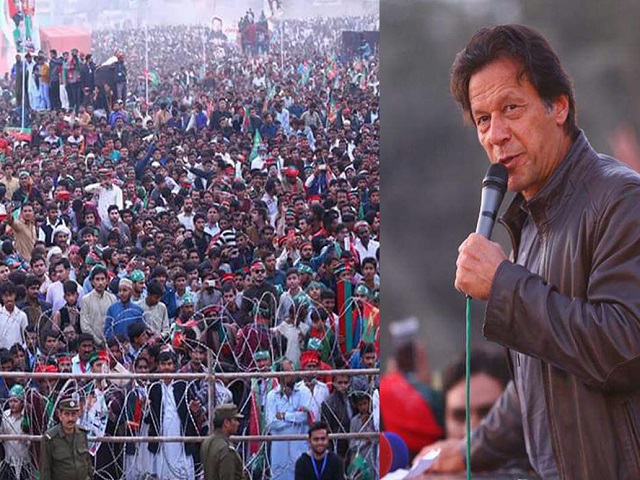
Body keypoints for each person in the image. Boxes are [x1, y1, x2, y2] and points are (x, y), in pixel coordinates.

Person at [425, 23, 640, 479]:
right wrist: (468, 450)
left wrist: (505, 285)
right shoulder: (534, 222)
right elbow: (534, 383)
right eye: (483, 119)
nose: (496, 134)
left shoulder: (621, 200)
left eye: (511, 109)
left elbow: (625, 349)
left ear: (558, 105)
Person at [39, 397, 93, 480]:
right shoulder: (50, 438)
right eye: (67, 414)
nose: (70, 418)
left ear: (78, 415)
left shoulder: (82, 434)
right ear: (60, 415)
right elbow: (45, 469)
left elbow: (87, 461)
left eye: (73, 414)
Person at [200, 403, 247, 480]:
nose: (238, 423)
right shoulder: (226, 449)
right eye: (235, 420)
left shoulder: (207, 442)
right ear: (226, 423)